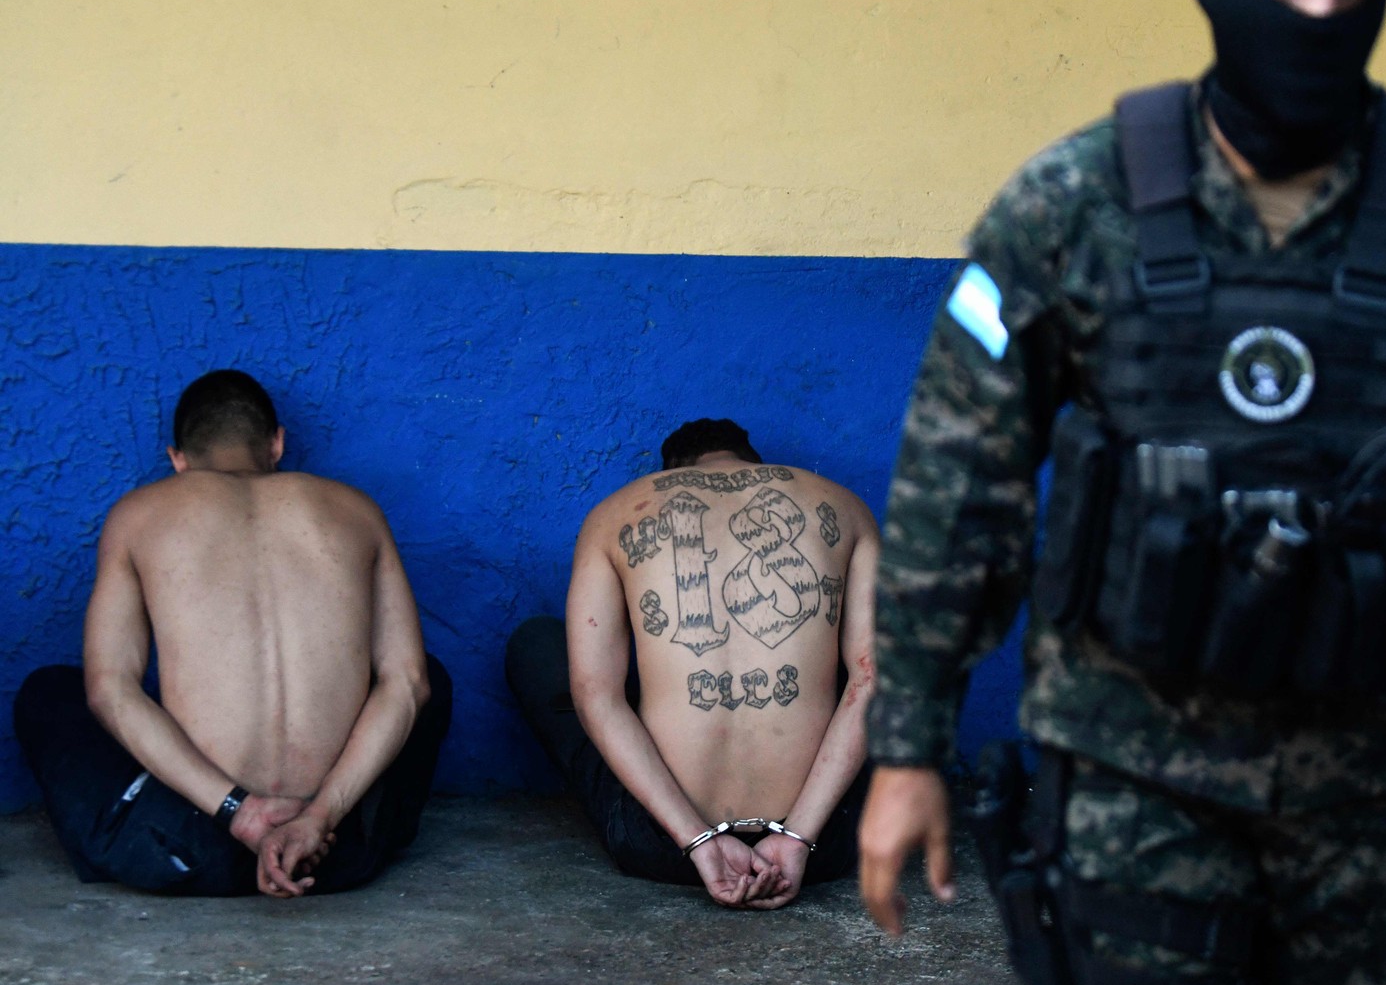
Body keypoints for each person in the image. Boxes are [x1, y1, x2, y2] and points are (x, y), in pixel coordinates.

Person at [857, 0, 1386, 985]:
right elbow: (955, 486)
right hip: (1136, 784)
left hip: (1371, 799)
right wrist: (906, 745)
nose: (1314, 10)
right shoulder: (1076, 202)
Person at [13, 369, 451, 898]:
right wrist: (317, 819)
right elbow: (408, 685)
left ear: (177, 457)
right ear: (277, 443)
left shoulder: (138, 515)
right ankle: (318, 824)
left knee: (50, 691)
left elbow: (110, 691)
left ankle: (220, 822)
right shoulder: (357, 511)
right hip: (337, 850)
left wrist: (241, 813)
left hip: (189, 849)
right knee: (426, 677)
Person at [506, 418, 878, 909]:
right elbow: (876, 682)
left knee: (539, 644)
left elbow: (595, 696)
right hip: (816, 848)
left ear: (672, 472)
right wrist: (797, 839)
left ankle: (686, 821)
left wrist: (699, 842)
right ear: (754, 462)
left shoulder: (613, 513)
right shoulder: (845, 506)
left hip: (665, 847)